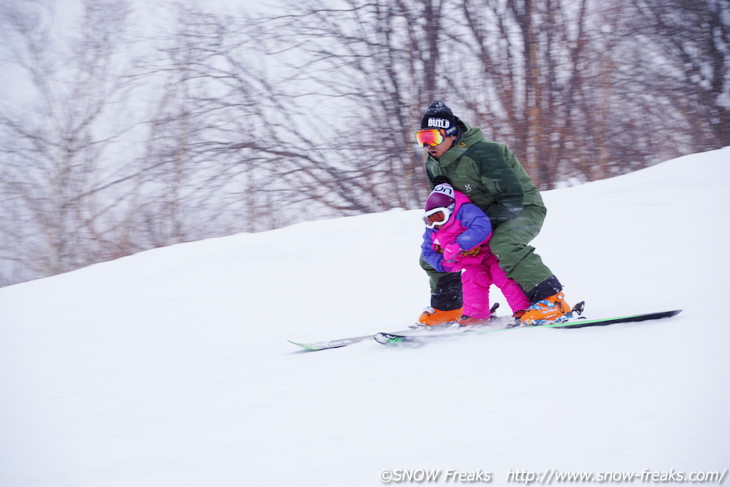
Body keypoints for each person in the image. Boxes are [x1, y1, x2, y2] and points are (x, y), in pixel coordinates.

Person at [415, 100, 572, 326]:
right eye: (423, 139)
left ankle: (552, 301)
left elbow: (512, 198)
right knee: (433, 253)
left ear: (451, 134)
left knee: (503, 244)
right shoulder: (433, 164)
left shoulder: (485, 153)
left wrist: (479, 234)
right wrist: (445, 234)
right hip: (472, 217)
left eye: (433, 138)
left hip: (521, 209)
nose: (428, 146)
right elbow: (447, 201)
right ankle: (448, 307)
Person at [420, 181, 530, 326]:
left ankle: (522, 309)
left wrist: (458, 245)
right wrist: (443, 264)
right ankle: (476, 316)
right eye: (430, 219)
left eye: (439, 217)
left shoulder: (465, 211)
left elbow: (482, 227)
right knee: (471, 279)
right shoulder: (433, 230)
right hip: (472, 262)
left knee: (502, 276)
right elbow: (427, 251)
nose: (435, 224)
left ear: (450, 209)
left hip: (491, 254)